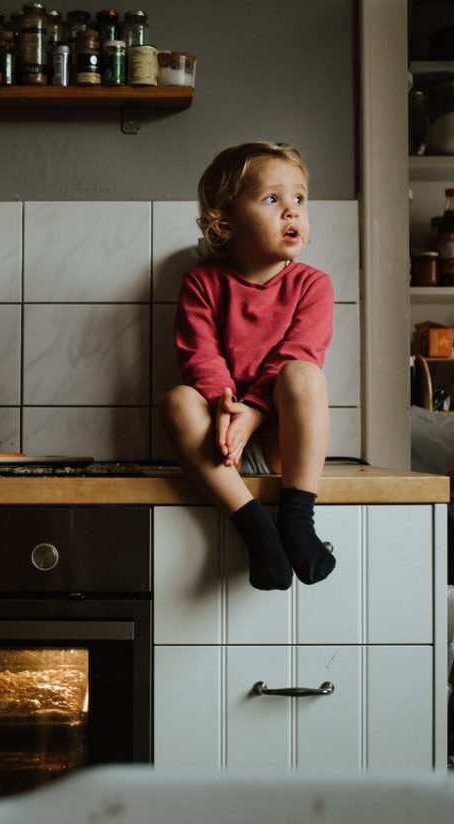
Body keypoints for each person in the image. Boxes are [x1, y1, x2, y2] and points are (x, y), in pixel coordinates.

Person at [158, 142, 335, 591]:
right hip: (219, 445)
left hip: (282, 445)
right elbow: (200, 357)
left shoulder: (313, 284)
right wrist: (227, 409)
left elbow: (299, 351)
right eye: (272, 199)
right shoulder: (202, 282)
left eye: (299, 198)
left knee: (302, 373)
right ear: (225, 222)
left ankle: (297, 520)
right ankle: (255, 526)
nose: (291, 212)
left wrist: (254, 411)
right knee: (178, 400)